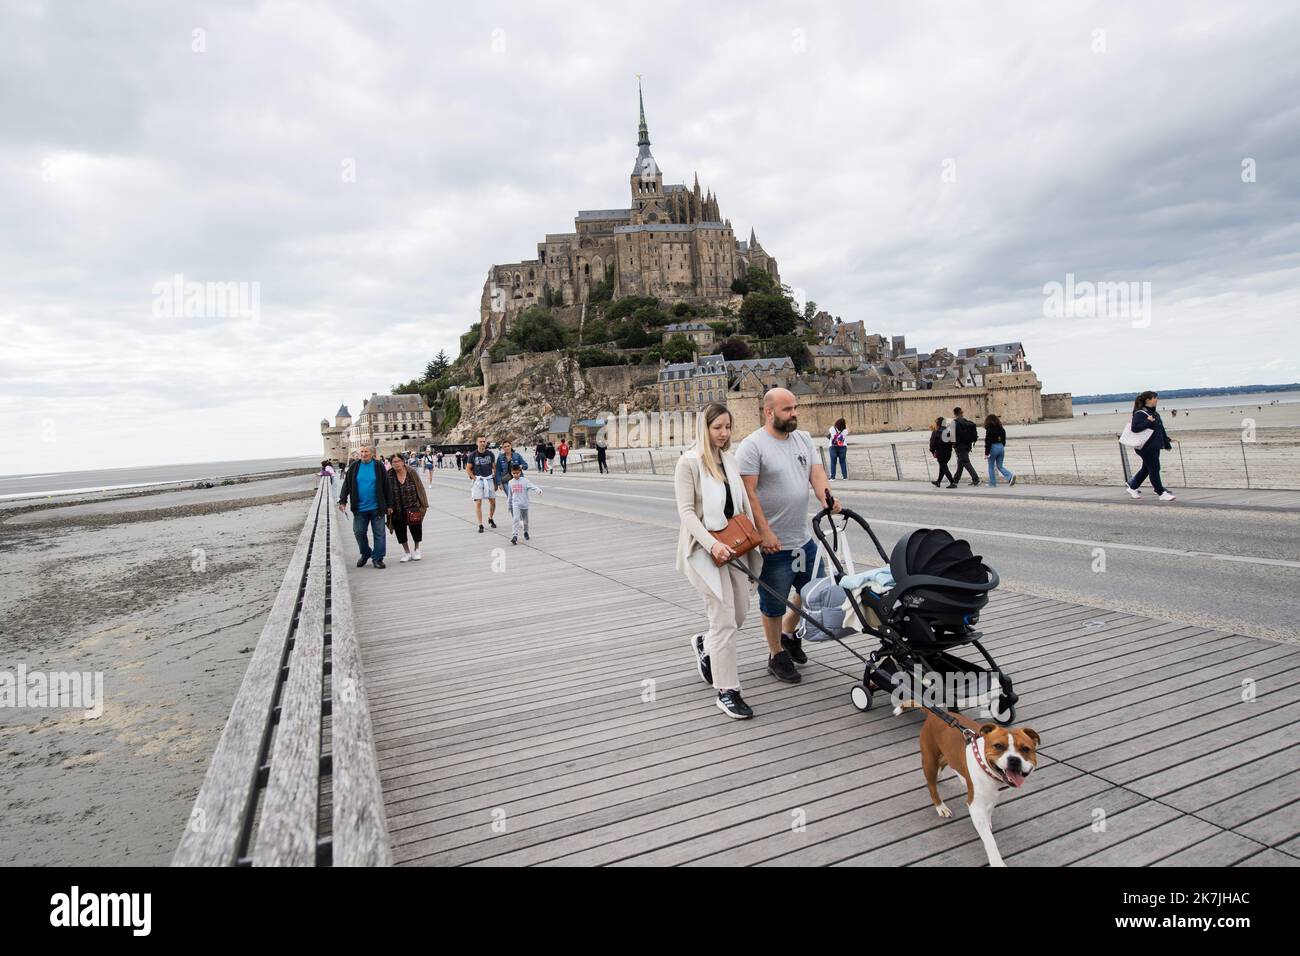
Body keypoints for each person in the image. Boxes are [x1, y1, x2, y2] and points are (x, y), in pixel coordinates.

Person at [738, 387, 839, 685]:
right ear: (769, 413)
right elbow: (749, 494)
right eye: (787, 409)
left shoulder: (804, 439)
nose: (794, 413)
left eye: (795, 408)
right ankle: (775, 653)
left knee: (813, 594)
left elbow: (817, 474)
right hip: (773, 544)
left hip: (802, 540)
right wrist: (764, 532)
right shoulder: (752, 446)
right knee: (773, 603)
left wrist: (827, 497)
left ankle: (789, 632)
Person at [676, 402, 762, 719]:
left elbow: (738, 505)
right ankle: (728, 691)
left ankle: (705, 643)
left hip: (734, 546)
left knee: (739, 614)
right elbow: (686, 513)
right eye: (717, 428)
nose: (724, 434)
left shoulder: (729, 459)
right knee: (724, 619)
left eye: (727, 427)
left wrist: (756, 538)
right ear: (704, 428)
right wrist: (712, 545)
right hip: (704, 550)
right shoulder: (689, 463)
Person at [337, 444, 388, 569]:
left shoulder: (378, 466)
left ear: (371, 453)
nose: (364, 454)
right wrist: (342, 500)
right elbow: (347, 485)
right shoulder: (355, 466)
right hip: (360, 508)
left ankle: (378, 559)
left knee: (379, 534)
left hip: (377, 507)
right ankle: (366, 553)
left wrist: (390, 504)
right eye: (362, 452)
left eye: (366, 452)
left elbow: (386, 485)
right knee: (358, 532)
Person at [1126, 391, 1176, 501]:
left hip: (1154, 445)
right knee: (1154, 468)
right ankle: (1161, 493)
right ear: (1148, 400)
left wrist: (1166, 441)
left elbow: (1159, 429)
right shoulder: (1140, 413)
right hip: (1145, 447)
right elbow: (1135, 428)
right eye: (1155, 398)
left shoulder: (1153, 412)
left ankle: (1132, 486)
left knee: (1147, 468)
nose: (1157, 400)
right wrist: (1148, 422)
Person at [385, 453, 428, 562]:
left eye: (398, 461)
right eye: (394, 462)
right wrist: (387, 506)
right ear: (391, 464)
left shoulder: (411, 472)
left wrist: (423, 504)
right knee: (400, 531)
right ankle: (407, 552)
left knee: (416, 529)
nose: (396, 464)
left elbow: (420, 487)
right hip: (396, 508)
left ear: (403, 462)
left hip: (412, 506)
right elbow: (385, 491)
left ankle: (417, 549)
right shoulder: (389, 475)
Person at [465, 436, 498, 532]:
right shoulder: (472, 455)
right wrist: (474, 478)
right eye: (480, 441)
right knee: (478, 502)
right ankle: (480, 524)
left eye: (484, 441)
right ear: (477, 443)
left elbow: (494, 468)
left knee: (493, 501)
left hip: (489, 479)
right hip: (478, 480)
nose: (483, 443)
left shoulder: (490, 454)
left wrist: (495, 481)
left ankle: (490, 518)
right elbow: (468, 468)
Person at [506, 463, 542, 545]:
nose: (516, 475)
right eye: (514, 473)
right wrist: (509, 505)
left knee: (525, 521)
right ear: (511, 473)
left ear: (520, 472)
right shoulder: (510, 482)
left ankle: (526, 531)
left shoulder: (525, 481)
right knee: (516, 519)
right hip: (515, 504)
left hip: (524, 504)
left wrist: (538, 490)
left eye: (517, 473)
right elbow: (510, 495)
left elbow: (532, 486)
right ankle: (515, 536)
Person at [950, 406, 981, 486]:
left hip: (960, 447)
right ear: (962, 413)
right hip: (967, 445)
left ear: (954, 413)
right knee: (961, 463)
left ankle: (976, 479)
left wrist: (954, 446)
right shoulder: (966, 422)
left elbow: (952, 437)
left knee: (966, 462)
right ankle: (955, 480)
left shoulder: (954, 423)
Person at [494, 439, 529, 507]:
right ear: (503, 448)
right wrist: (499, 483)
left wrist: (522, 466)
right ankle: (515, 516)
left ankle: (518, 514)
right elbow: (497, 471)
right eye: (505, 447)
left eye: (508, 446)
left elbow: (526, 465)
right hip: (506, 481)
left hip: (518, 481)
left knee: (519, 498)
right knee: (511, 499)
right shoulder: (500, 458)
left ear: (511, 446)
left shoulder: (517, 455)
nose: (507, 448)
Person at [983, 414, 1015, 487]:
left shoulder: (989, 429)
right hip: (1001, 447)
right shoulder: (1001, 428)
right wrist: (1001, 446)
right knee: (1000, 466)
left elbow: (988, 442)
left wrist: (986, 453)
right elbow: (1004, 440)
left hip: (993, 447)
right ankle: (1010, 476)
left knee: (991, 466)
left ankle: (992, 483)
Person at [929, 416, 957, 488]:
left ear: (938, 424)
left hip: (940, 453)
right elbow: (953, 441)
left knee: (944, 467)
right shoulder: (949, 431)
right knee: (942, 466)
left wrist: (933, 452)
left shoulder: (935, 432)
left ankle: (952, 482)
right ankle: (938, 481)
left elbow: (932, 444)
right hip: (948, 452)